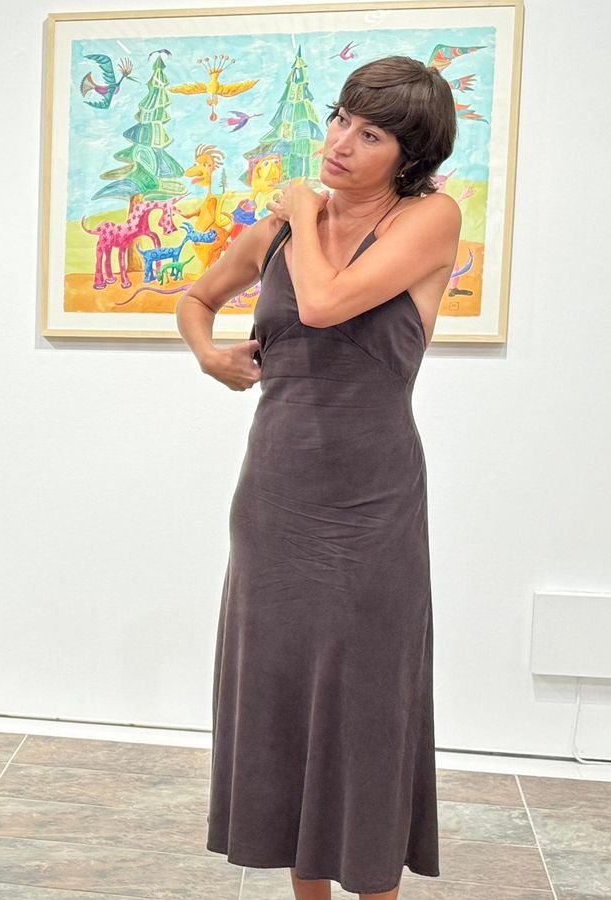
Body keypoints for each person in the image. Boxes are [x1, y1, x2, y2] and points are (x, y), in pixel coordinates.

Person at [176, 57, 462, 899]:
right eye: (341, 119)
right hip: (275, 495)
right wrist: (208, 355)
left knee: (366, 711)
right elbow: (196, 299)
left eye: (370, 134)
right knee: (291, 706)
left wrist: (302, 210)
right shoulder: (272, 237)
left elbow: (328, 305)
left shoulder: (431, 217)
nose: (340, 142)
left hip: (372, 503)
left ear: (408, 158)